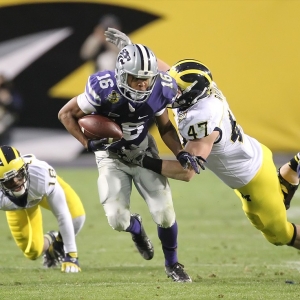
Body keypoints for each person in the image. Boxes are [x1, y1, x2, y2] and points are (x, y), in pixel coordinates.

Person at [116, 57, 300, 253]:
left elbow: (187, 172)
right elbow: (162, 68)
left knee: (279, 235)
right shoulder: (198, 88)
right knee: (270, 223)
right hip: (250, 156)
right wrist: (133, 53)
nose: (170, 90)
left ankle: (293, 170)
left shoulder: (202, 120)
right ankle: (294, 168)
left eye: (177, 90)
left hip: (253, 178)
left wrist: (141, 160)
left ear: (191, 95)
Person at [58, 43, 195, 282]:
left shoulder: (160, 88)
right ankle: (137, 229)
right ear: (122, 74)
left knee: (164, 213)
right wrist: (88, 145)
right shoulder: (102, 89)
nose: (143, 84)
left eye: (146, 78)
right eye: (135, 78)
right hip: (110, 156)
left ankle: (172, 265)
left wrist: (180, 151)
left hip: (143, 150)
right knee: (117, 220)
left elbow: (165, 127)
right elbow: (66, 114)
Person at [0, 145, 85, 273]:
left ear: (25, 168)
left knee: (77, 217)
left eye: (19, 175)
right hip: (17, 208)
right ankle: (51, 239)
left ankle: (60, 242)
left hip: (39, 193)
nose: (17, 182)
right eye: (9, 181)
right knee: (32, 251)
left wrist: (71, 256)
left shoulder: (41, 175)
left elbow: (62, 213)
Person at [0, 74, 23, 145]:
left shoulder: (8, 92)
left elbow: (18, 106)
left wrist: (8, 100)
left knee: (5, 149)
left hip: (4, 125)